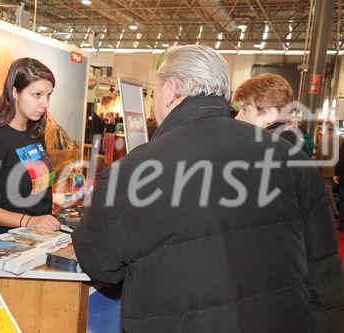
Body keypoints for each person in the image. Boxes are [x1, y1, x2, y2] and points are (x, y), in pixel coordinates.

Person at [72, 45, 344, 332]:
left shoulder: (130, 172)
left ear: (170, 90)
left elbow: (101, 264)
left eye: (154, 93)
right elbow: (323, 269)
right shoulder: (292, 158)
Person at [0, 58, 60, 236]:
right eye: (37, 95)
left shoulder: (35, 134)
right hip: (11, 243)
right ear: (15, 92)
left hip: (43, 238)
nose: (45, 104)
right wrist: (29, 221)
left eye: (48, 95)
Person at [233, 73, 315, 157]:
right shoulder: (284, 148)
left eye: (244, 109)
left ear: (271, 114)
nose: (236, 118)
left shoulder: (271, 153)